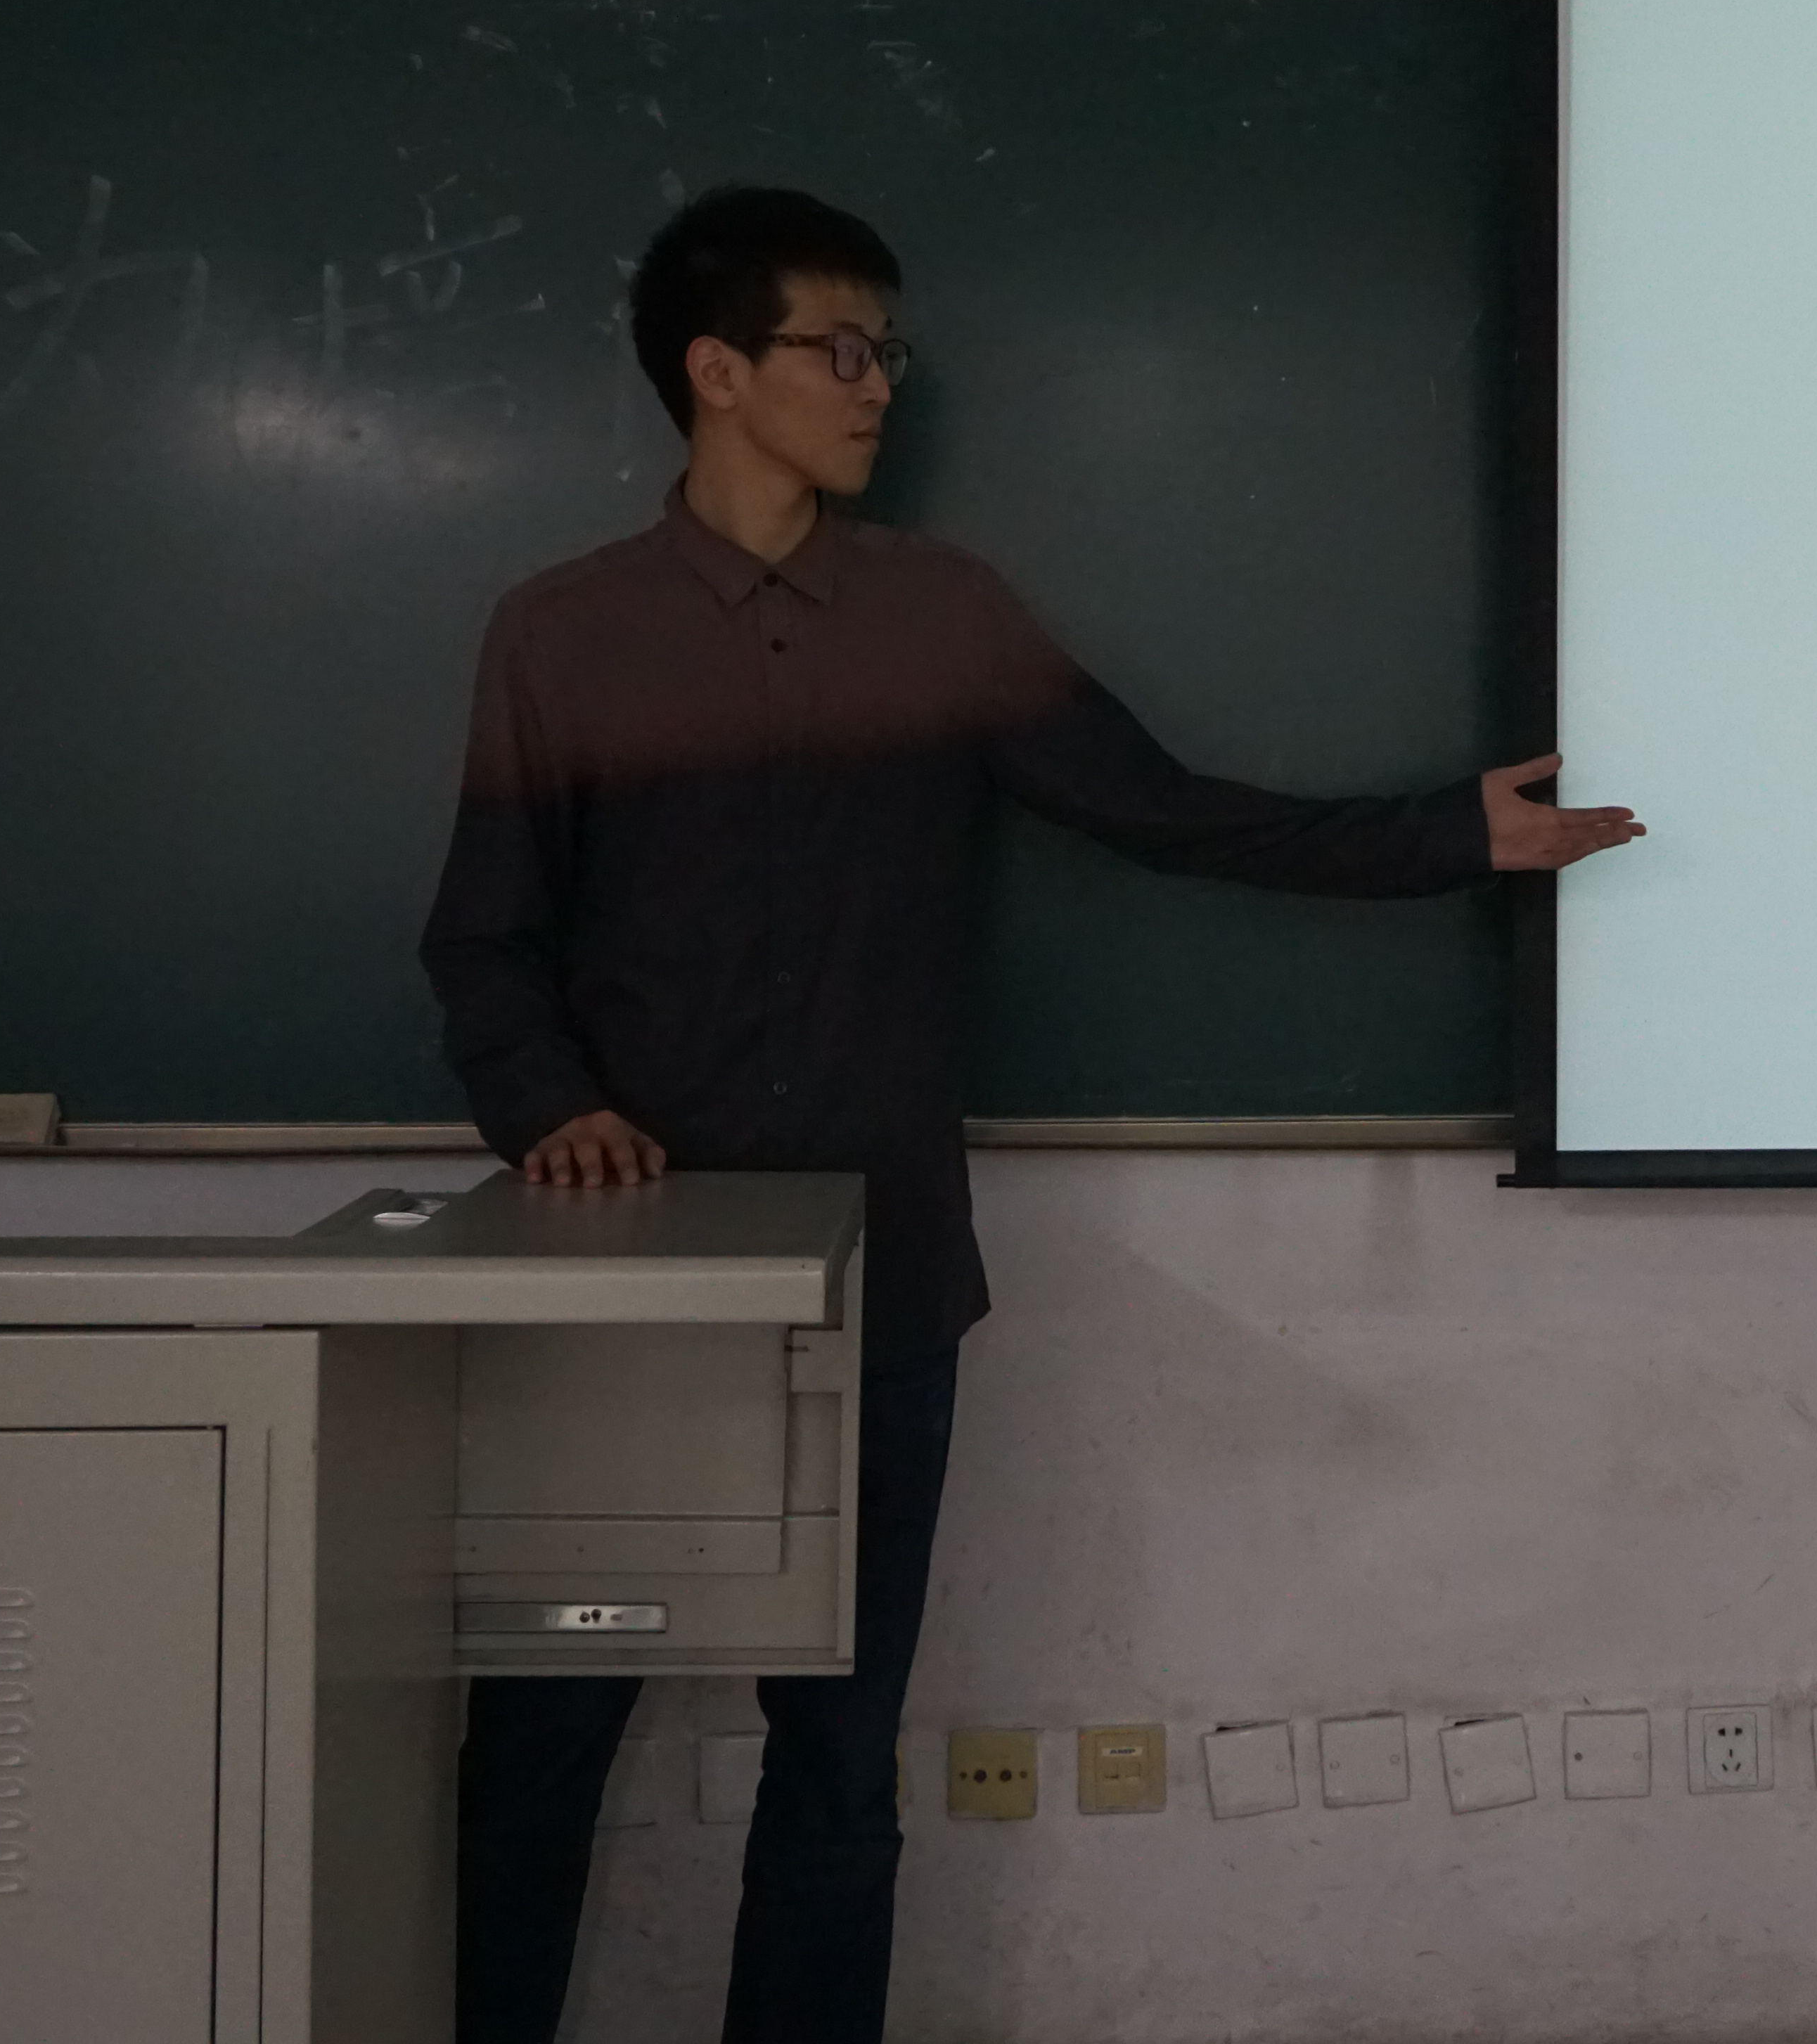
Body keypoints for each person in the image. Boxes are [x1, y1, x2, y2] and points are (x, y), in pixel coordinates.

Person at [420, 186, 1642, 2044]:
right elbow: (482, 940)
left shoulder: (941, 615)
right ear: (717, 371)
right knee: (539, 1751)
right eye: (841, 349)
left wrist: (1446, 836)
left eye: (887, 352)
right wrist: (554, 1111)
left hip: (880, 1288)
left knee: (839, 1763)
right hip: (622, 1300)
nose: (878, 385)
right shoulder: (563, 635)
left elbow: (1165, 809)